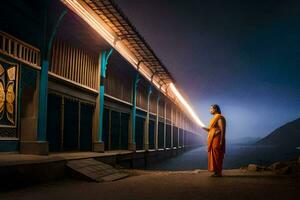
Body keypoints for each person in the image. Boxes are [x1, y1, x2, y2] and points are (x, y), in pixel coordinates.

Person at [202, 104, 226, 177]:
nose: (210, 110)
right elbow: (211, 130)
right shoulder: (214, 118)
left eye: (211, 109)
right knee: (213, 155)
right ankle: (215, 172)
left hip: (217, 139)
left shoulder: (219, 117)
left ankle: (219, 172)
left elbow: (222, 130)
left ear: (216, 109)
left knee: (217, 155)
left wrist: (221, 141)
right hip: (213, 139)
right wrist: (203, 128)